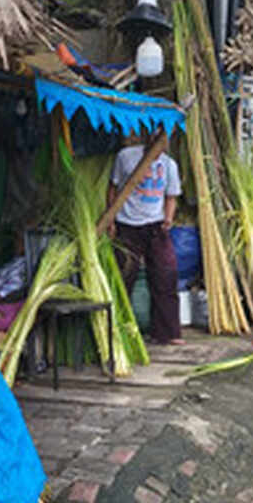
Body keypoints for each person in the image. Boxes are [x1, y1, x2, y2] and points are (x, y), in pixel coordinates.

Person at [108, 134, 183, 345]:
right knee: (124, 277)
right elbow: (113, 188)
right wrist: (111, 220)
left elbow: (171, 197)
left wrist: (168, 218)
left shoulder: (169, 165)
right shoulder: (126, 157)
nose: (160, 142)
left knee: (165, 276)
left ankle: (166, 333)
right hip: (127, 225)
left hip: (156, 226)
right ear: (149, 136)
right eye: (157, 136)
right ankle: (120, 331)